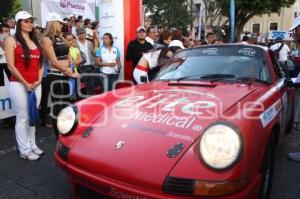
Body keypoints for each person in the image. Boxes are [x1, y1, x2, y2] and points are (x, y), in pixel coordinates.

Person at [5, 11, 44, 160]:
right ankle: (25, 150)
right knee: (22, 118)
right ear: (19, 22)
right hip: (19, 85)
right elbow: (10, 66)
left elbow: (40, 64)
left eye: (30, 21)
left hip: (36, 85)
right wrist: (25, 83)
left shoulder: (36, 40)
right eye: (26, 21)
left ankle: (32, 144)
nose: (29, 24)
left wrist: (39, 80)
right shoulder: (11, 40)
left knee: (32, 116)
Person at [41, 12, 78, 138]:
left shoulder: (60, 37)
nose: (61, 25)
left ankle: (66, 133)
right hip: (55, 76)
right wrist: (69, 71)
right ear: (52, 23)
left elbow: (69, 55)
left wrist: (69, 64)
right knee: (58, 107)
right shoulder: (46, 39)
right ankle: (59, 136)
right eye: (59, 23)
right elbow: (54, 62)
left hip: (64, 75)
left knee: (66, 105)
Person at [76, 27, 97, 96]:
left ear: (85, 33)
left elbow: (92, 54)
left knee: (92, 83)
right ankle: (87, 98)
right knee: (85, 84)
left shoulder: (89, 43)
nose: (82, 35)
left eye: (83, 33)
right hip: (82, 67)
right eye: (80, 33)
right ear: (77, 34)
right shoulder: (75, 44)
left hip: (91, 65)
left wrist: (95, 63)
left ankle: (92, 97)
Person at [64, 32, 82, 99]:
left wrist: (71, 62)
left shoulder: (75, 49)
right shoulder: (62, 50)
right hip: (67, 73)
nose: (71, 42)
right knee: (69, 93)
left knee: (75, 93)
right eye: (69, 40)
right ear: (64, 40)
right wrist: (74, 62)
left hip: (76, 73)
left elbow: (80, 60)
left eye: (72, 40)